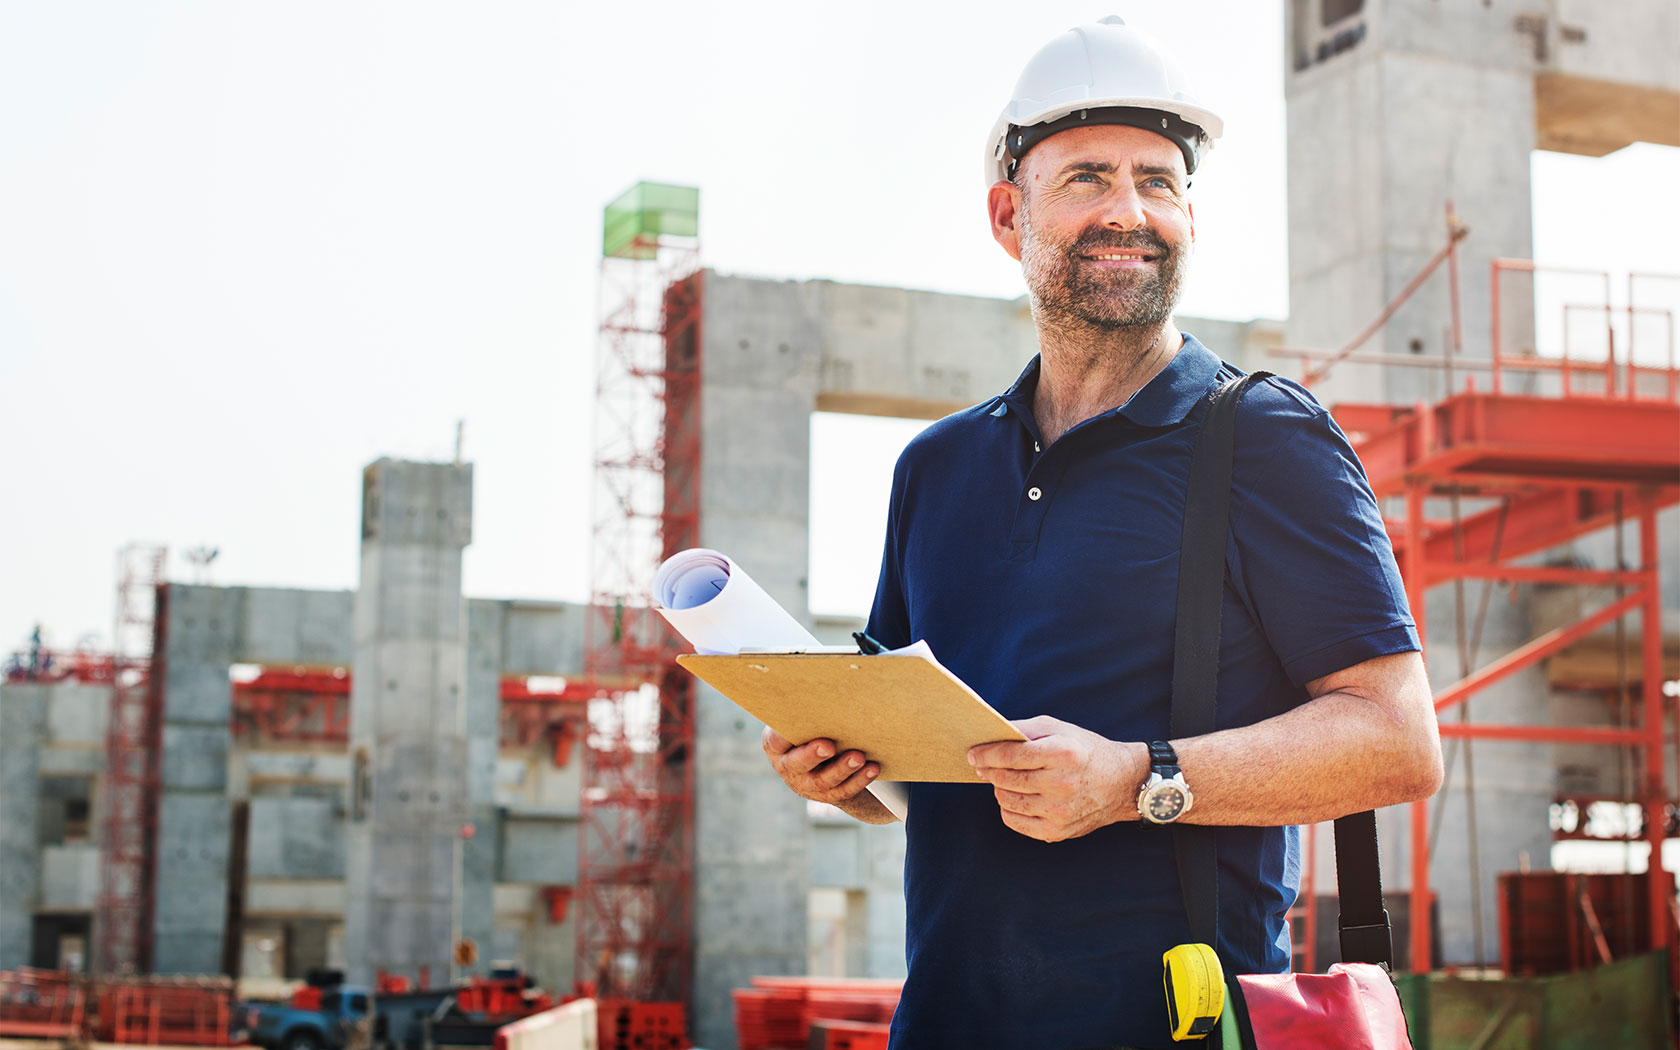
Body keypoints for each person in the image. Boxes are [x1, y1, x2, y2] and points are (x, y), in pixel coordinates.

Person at [762, 16, 1442, 1049]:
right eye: (1087, 176)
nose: (1129, 212)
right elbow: (916, 784)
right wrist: (840, 772)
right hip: (948, 1023)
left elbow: (1397, 742)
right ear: (1008, 213)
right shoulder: (935, 470)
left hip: (1173, 1027)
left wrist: (1137, 779)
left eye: (1158, 181)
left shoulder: (1264, 439)